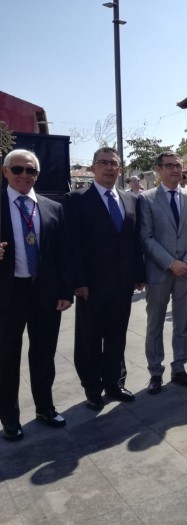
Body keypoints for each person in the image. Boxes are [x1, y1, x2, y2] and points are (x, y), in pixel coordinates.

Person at [64, 147, 146, 411]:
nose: (109, 168)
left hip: (122, 284)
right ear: (93, 168)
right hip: (91, 285)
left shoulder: (130, 199)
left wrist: (138, 274)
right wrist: (78, 280)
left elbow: (134, 241)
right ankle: (92, 388)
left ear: (120, 169)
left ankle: (114, 382)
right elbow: (72, 245)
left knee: (116, 336)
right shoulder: (76, 200)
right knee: (89, 339)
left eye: (114, 163)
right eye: (103, 163)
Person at [0, 149, 72, 441]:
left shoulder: (52, 208)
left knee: (44, 355)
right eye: (18, 169)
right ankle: (10, 417)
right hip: (8, 294)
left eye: (30, 171)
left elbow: (63, 255)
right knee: (6, 358)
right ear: (5, 171)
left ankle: (45, 407)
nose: (24, 175)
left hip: (45, 293)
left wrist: (66, 291)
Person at [139, 151, 187, 394]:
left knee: (182, 323)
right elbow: (145, 237)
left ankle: (179, 368)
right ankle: (155, 372)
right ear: (159, 169)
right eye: (170, 166)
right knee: (154, 324)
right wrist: (170, 262)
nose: (176, 170)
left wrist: (186, 261)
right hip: (159, 271)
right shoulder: (146, 199)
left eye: (178, 166)